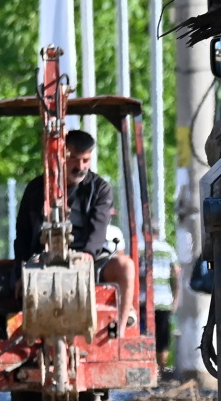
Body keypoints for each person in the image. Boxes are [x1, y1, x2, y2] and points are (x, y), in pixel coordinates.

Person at [15, 129, 136, 334]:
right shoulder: (37, 189)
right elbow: (23, 235)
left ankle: (121, 331)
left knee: (126, 266)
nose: (80, 167)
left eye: (86, 161)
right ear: (60, 155)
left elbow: (99, 227)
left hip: (89, 261)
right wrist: (19, 271)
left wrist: (88, 253)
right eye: (74, 159)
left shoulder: (100, 189)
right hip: (43, 259)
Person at [151, 235, 180, 372]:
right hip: (164, 300)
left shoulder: (141, 248)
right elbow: (177, 275)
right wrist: (176, 299)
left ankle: (150, 368)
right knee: (163, 337)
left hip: (145, 301)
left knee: (147, 335)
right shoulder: (168, 249)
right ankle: (161, 369)